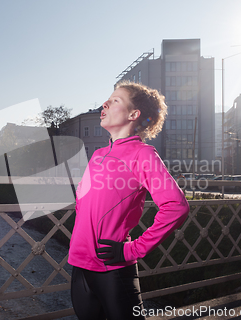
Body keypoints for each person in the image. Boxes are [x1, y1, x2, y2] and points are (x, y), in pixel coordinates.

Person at [68, 81, 190, 319]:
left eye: (115, 101)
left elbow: (176, 206)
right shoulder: (98, 155)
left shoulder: (142, 154)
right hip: (79, 266)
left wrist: (133, 249)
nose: (105, 103)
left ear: (134, 114)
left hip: (112, 268)